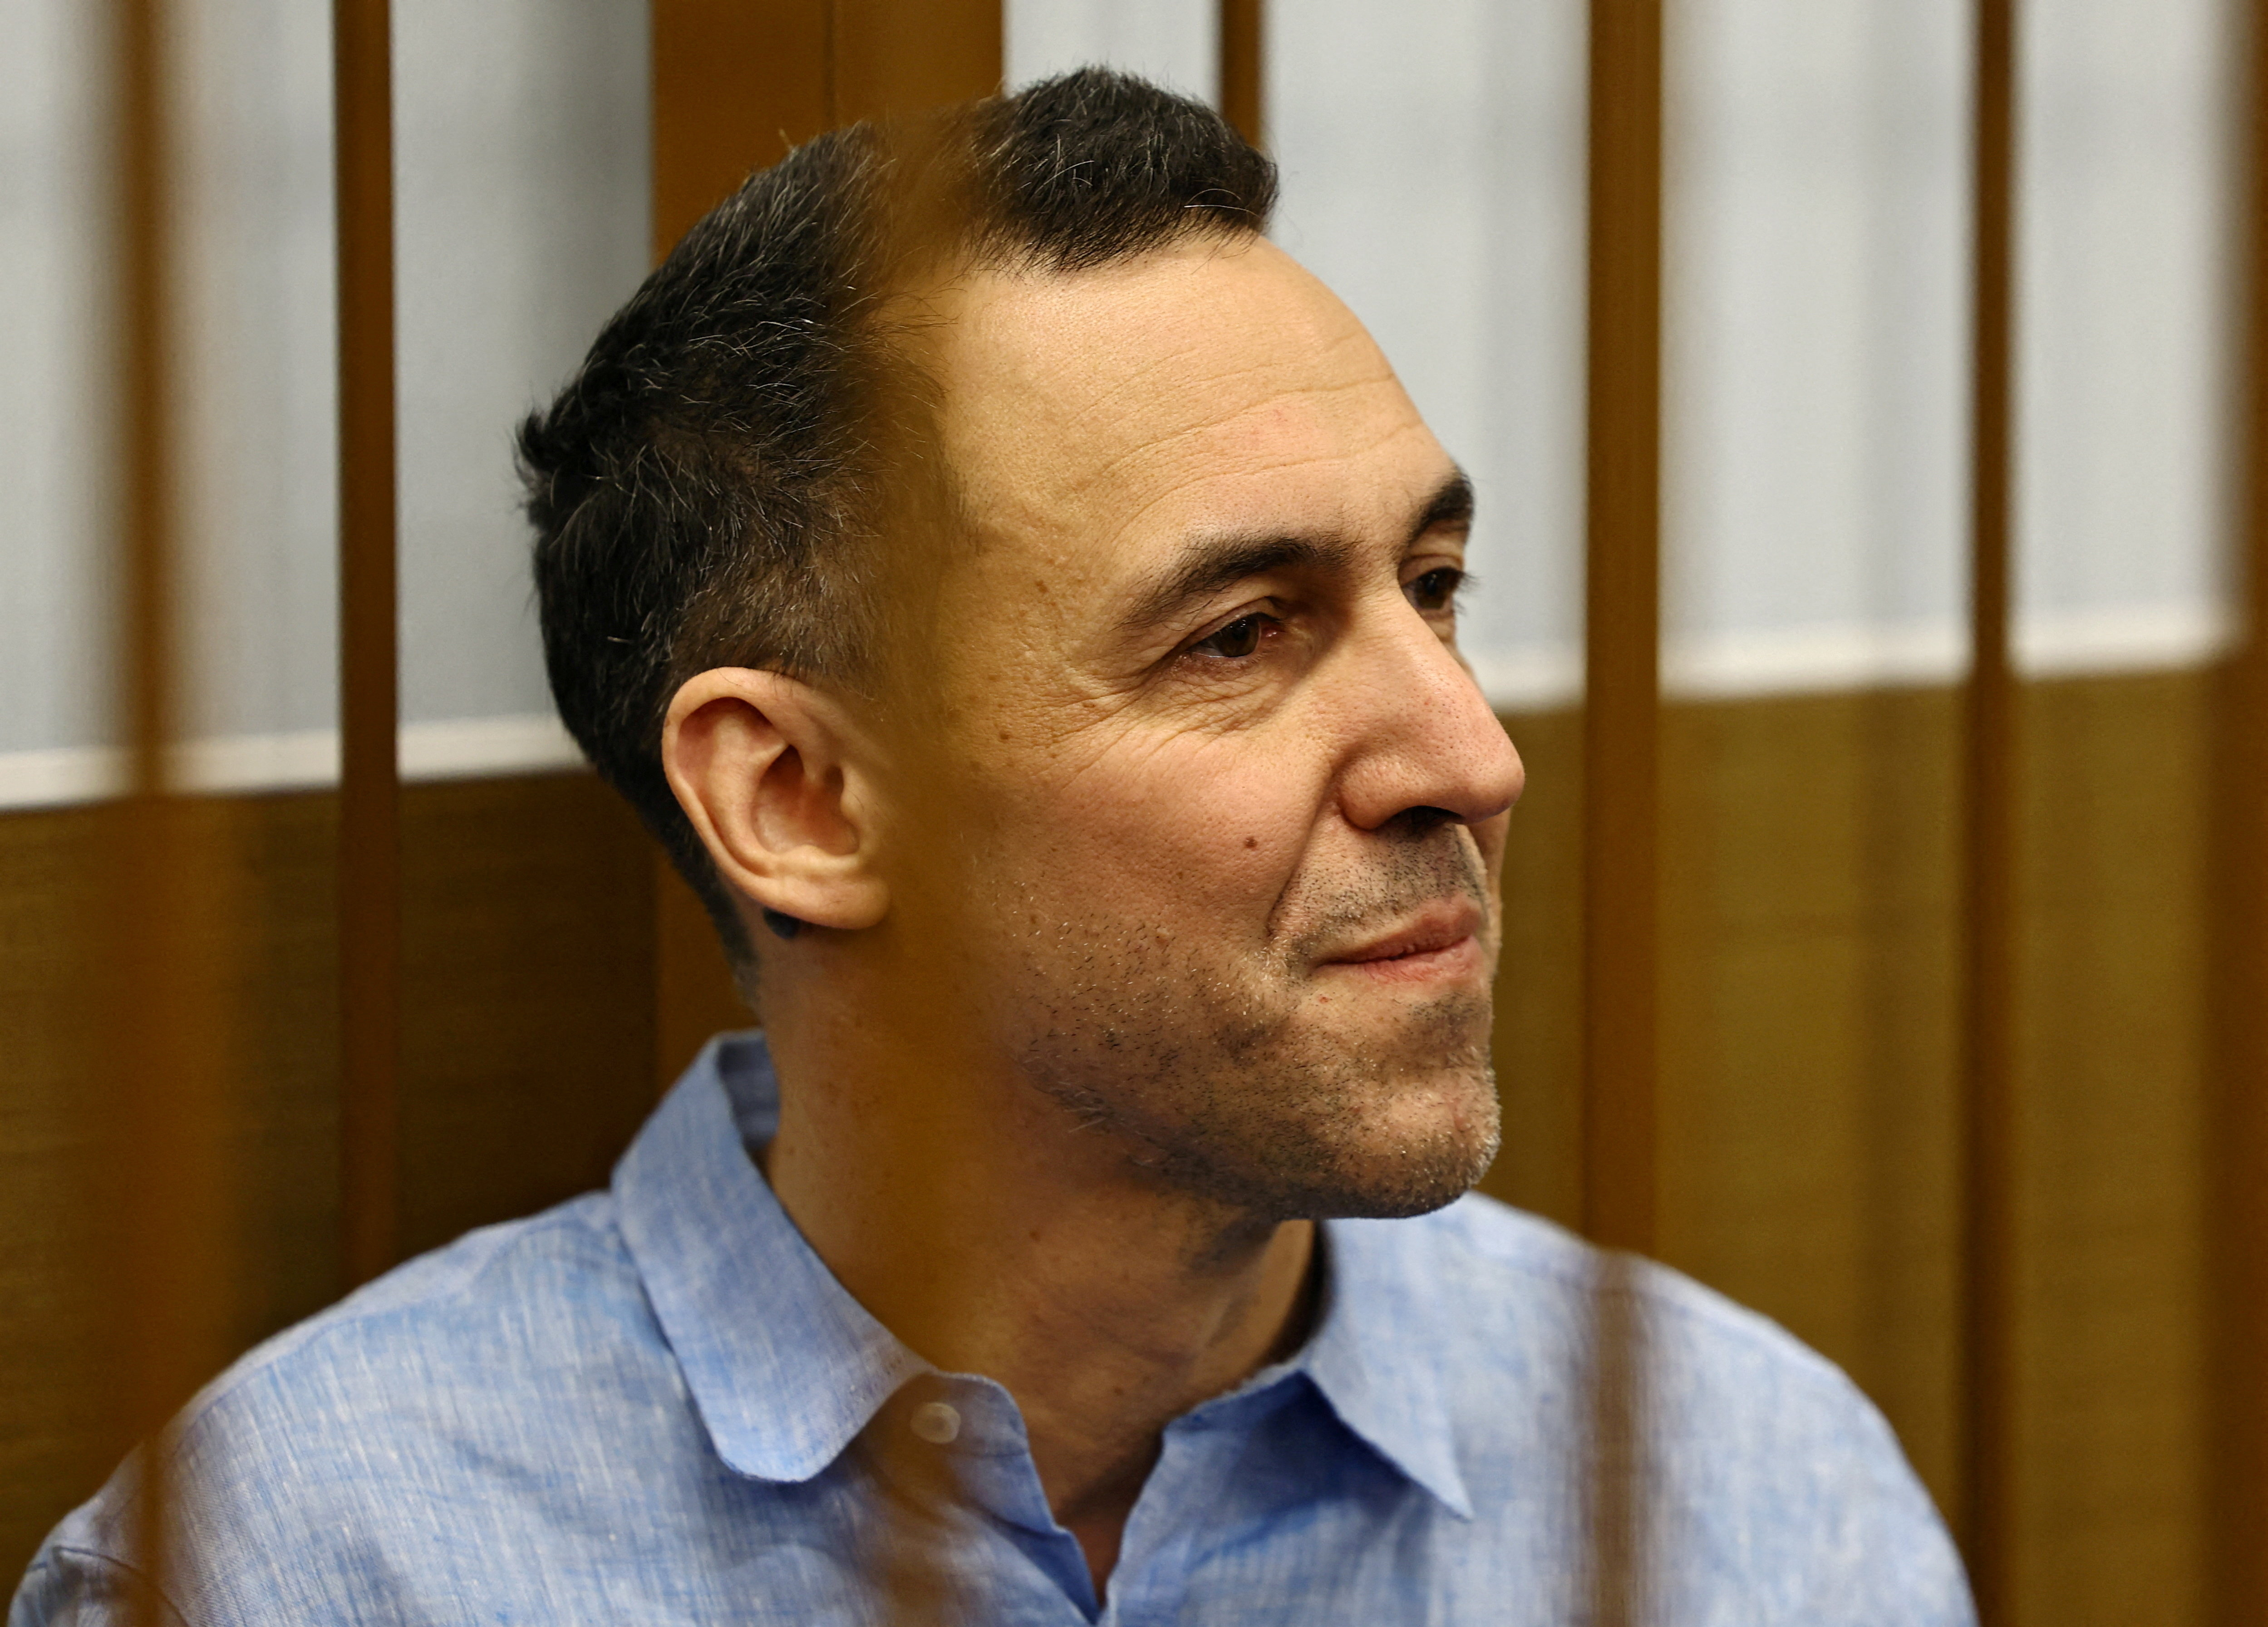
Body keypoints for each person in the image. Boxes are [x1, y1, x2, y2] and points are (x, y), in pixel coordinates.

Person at [14, 70, 1972, 1625]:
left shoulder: (1735, 1492)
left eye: (1432, 585)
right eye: (1237, 636)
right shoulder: (316, 1571)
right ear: (798, 801)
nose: (1467, 754)